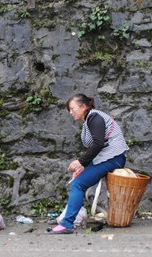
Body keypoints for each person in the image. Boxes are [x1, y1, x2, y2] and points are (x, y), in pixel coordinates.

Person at [47, 94, 130, 234]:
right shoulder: (90, 119)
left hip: (113, 158)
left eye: (72, 108)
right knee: (77, 181)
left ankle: (67, 224)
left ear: (83, 106)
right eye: (69, 109)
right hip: (107, 157)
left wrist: (81, 162)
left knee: (78, 184)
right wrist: (84, 165)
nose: (70, 112)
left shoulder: (95, 117)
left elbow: (98, 144)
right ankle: (66, 218)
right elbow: (97, 147)